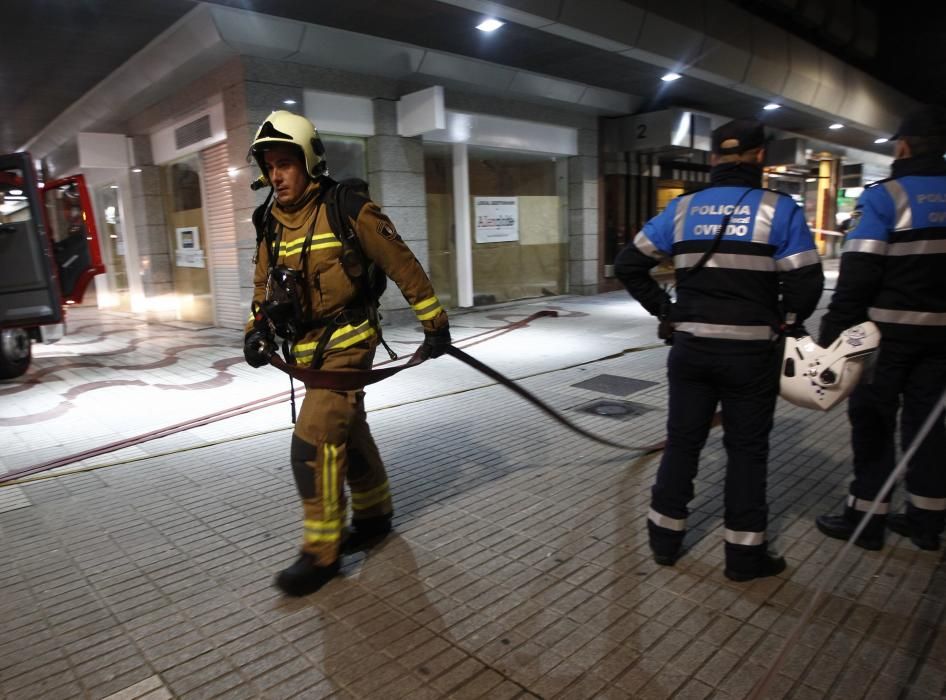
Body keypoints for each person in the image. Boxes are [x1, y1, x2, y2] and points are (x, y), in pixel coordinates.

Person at [243, 111, 451, 595]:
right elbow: (263, 286)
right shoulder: (268, 221)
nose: (276, 175)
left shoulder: (348, 206)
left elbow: (404, 265)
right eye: (269, 165)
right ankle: (376, 516)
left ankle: (322, 552)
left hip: (349, 341)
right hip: (306, 349)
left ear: (309, 161)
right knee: (349, 432)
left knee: (313, 443)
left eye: (285, 164)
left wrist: (434, 325)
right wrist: (256, 331)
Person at [615, 119, 824, 581]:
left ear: (713, 160)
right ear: (760, 158)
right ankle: (744, 556)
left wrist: (665, 312)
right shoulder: (779, 209)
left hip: (690, 350)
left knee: (683, 442)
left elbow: (628, 264)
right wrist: (788, 320)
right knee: (747, 452)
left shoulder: (683, 209)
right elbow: (807, 280)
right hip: (751, 355)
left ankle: (664, 541)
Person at [816, 105, 946, 552]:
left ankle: (867, 520)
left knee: (872, 424)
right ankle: (927, 523)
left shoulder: (885, 197)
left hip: (885, 341)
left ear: (904, 146)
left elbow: (859, 273)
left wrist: (833, 334)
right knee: (930, 427)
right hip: (941, 344)